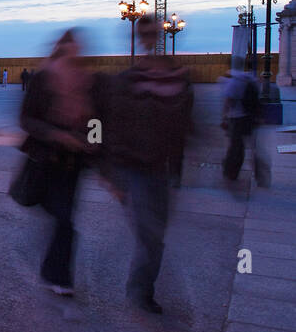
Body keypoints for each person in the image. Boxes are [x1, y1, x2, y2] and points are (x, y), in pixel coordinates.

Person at [94, 16, 193, 315]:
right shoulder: (126, 80)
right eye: (145, 31)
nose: (150, 37)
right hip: (129, 167)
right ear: (138, 35)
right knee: (150, 235)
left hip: (159, 169)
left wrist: (178, 168)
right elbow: (99, 122)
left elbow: (186, 126)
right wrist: (106, 169)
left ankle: (141, 288)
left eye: (154, 31)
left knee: (155, 237)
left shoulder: (177, 78)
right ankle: (140, 291)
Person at [19, 30, 95, 295]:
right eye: (73, 46)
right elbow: (26, 118)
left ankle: (57, 274)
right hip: (46, 156)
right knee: (62, 216)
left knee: (64, 217)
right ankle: (57, 274)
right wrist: (55, 134)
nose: (77, 51)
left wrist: (92, 141)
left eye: (80, 47)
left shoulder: (86, 81)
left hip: (74, 160)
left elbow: (96, 120)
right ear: (63, 48)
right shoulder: (44, 78)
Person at [220, 66, 267, 187]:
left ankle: (231, 173)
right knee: (253, 148)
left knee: (236, 147)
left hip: (237, 118)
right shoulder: (251, 79)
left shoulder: (233, 82)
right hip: (250, 118)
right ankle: (260, 175)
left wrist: (224, 117)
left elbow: (228, 101)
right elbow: (257, 100)